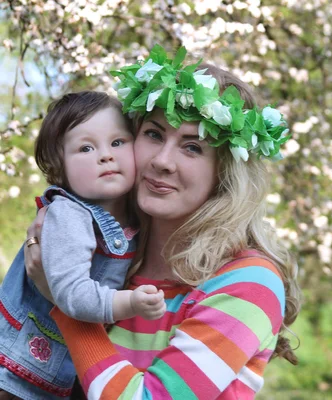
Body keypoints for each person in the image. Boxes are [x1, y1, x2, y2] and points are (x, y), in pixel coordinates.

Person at [22, 45, 301, 399]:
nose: (163, 161)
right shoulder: (103, 260)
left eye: (193, 147)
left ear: (224, 173)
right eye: (154, 134)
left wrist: (67, 304)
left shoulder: (247, 282)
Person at [0, 92, 167, 399]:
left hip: (62, 367)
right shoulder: (69, 215)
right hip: (18, 369)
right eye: (86, 148)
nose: (106, 155)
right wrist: (130, 303)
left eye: (117, 142)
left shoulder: (132, 218)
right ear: (59, 168)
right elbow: (73, 295)